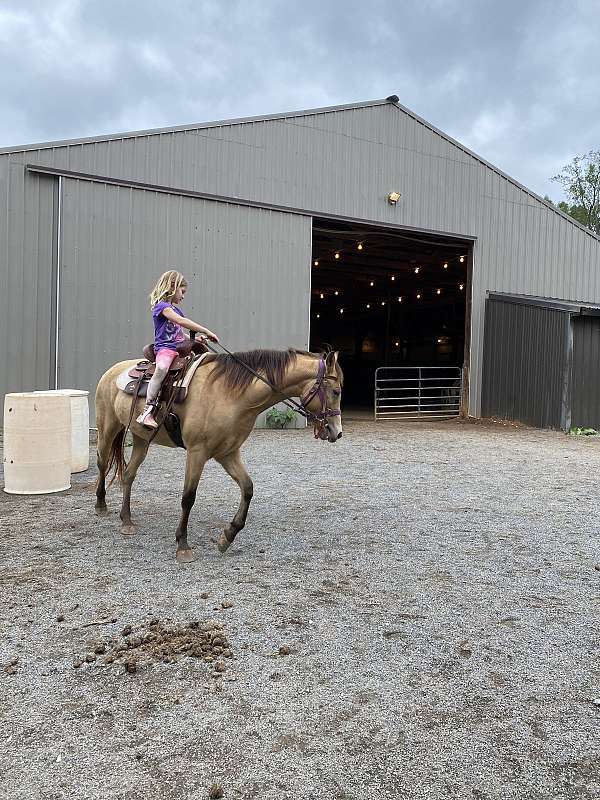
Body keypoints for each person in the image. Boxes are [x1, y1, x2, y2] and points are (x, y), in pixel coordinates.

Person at [136, 270, 219, 429]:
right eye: (182, 291)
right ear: (172, 287)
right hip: (165, 348)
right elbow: (180, 321)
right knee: (161, 368)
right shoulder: (163, 307)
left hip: (178, 349)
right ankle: (148, 409)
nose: (183, 296)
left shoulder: (176, 310)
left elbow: (178, 333)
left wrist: (195, 338)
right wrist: (206, 330)